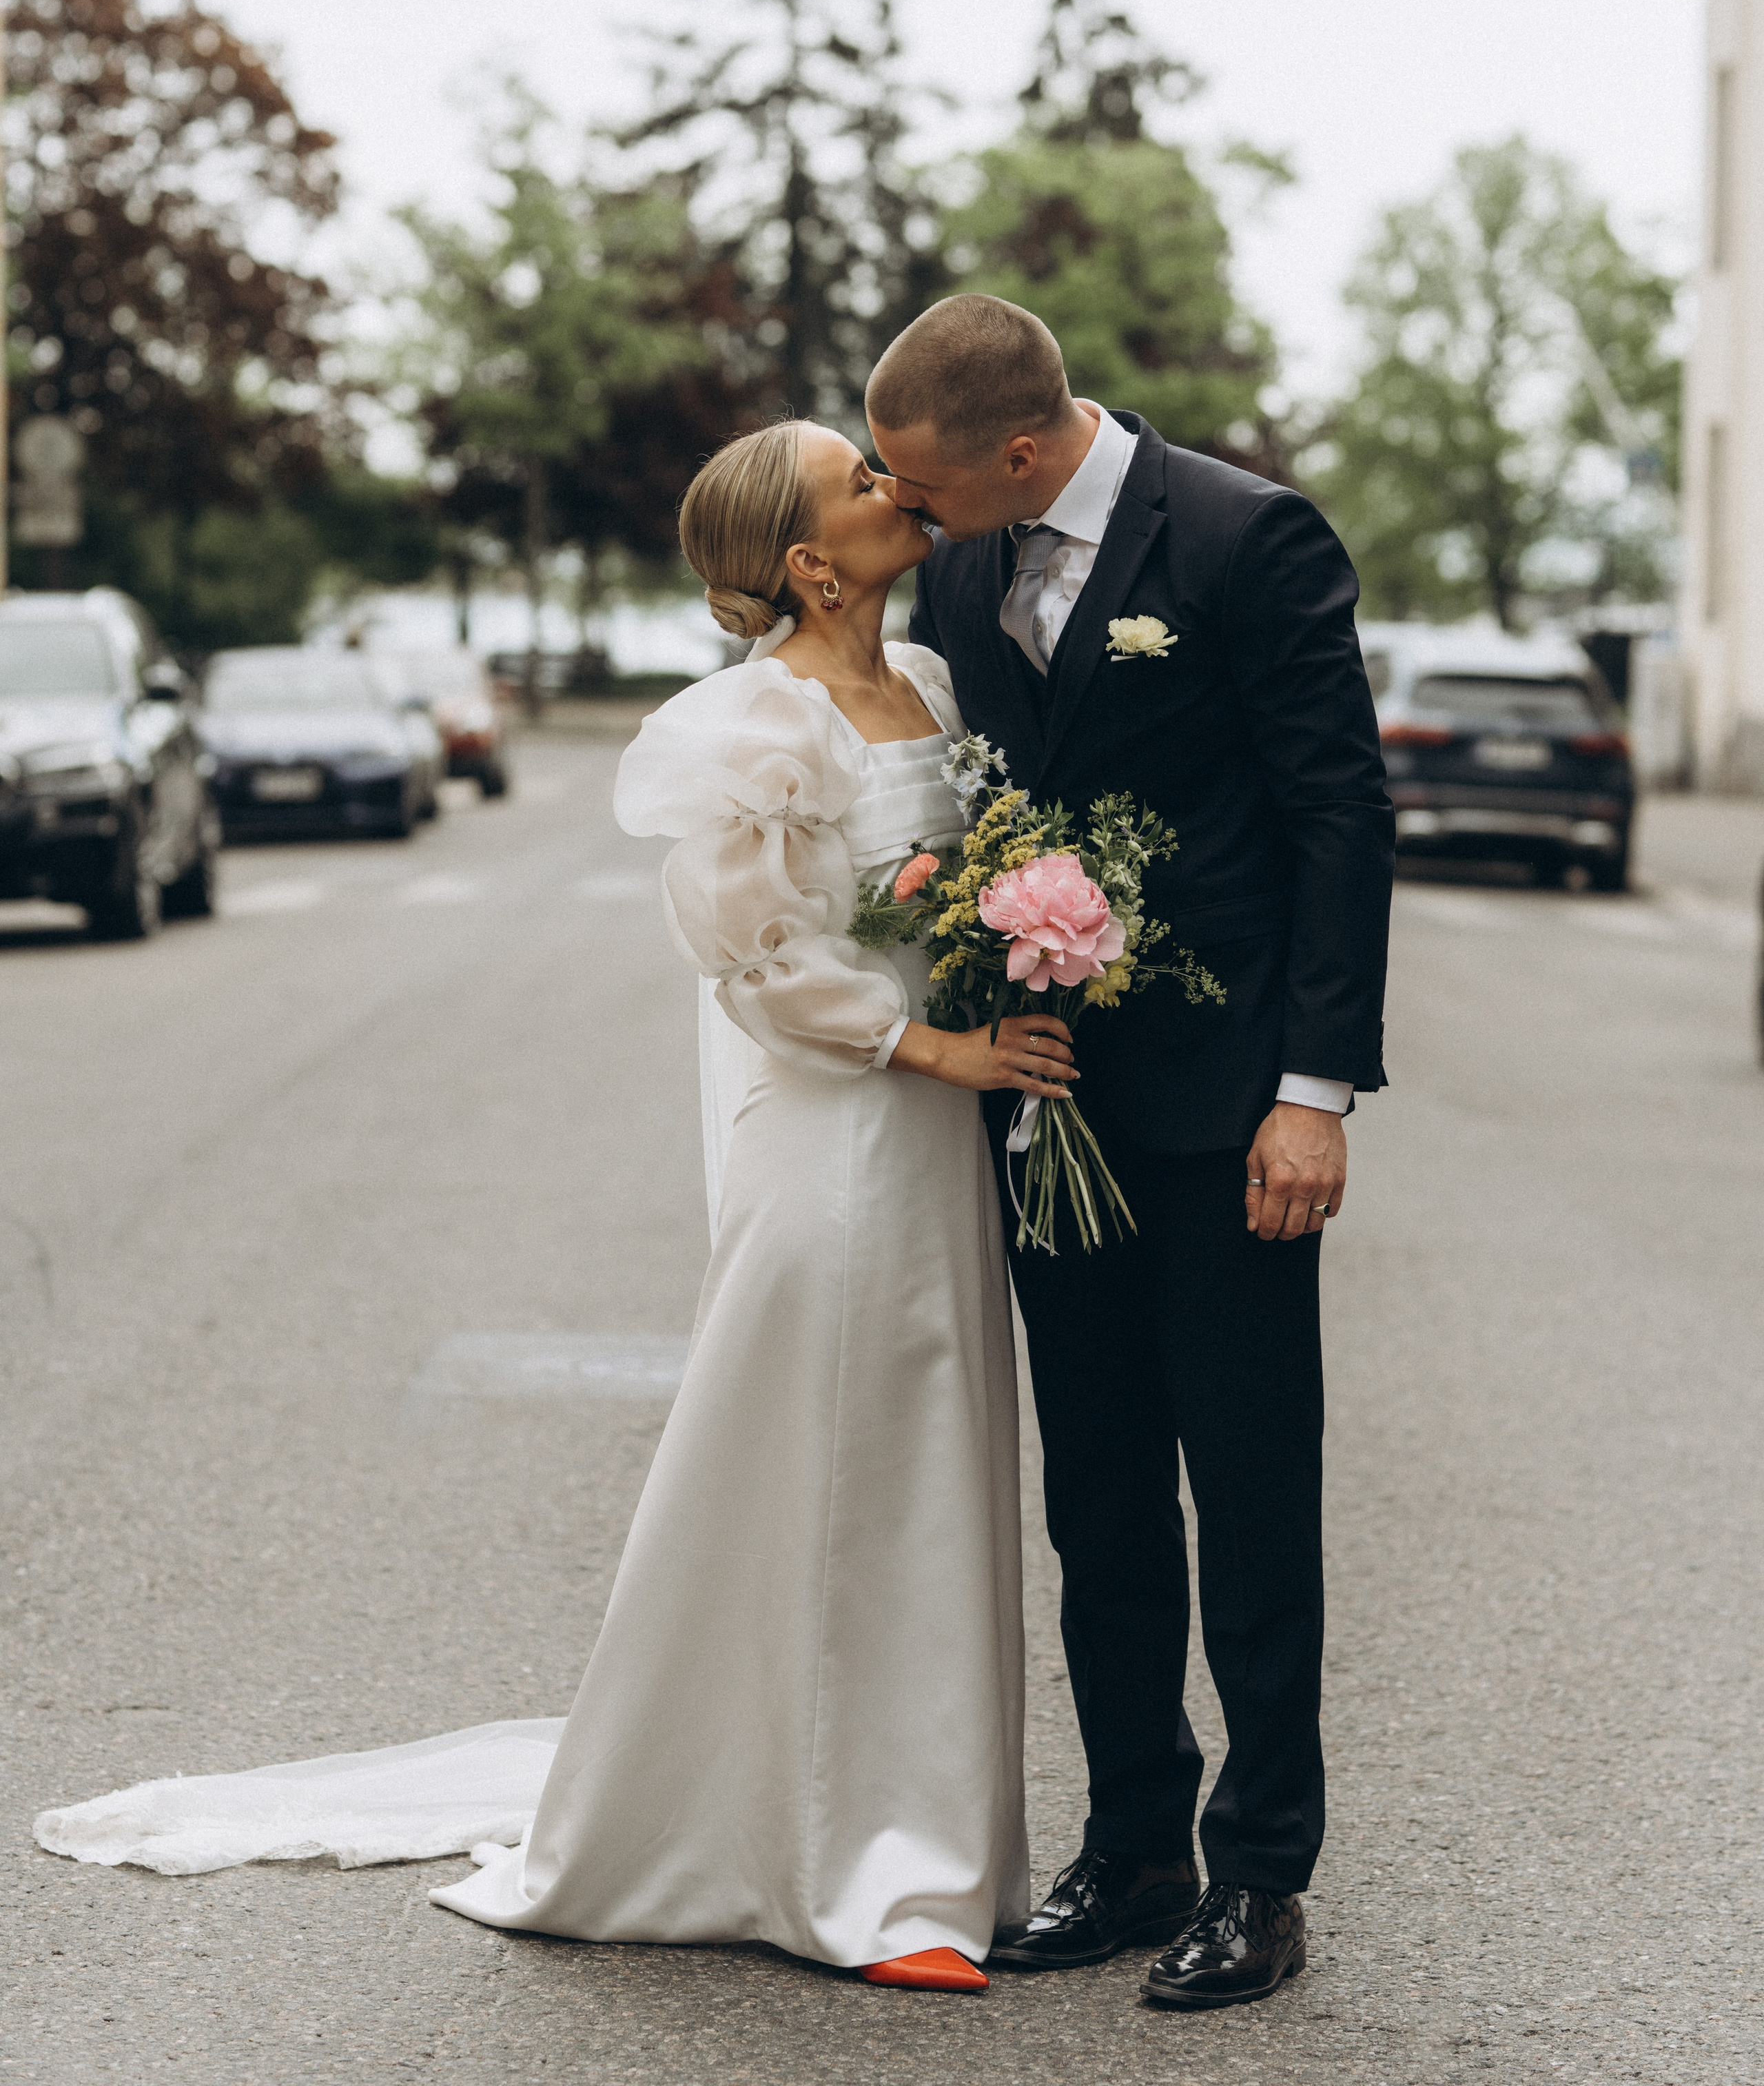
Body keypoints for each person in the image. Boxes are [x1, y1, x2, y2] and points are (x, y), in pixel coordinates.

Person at [37, 419, 1075, 1995]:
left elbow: (961, 872)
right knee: (841, 1453)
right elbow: (752, 957)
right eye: (855, 481)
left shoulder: (931, 687)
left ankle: (925, 1837)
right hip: (843, 1133)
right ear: (804, 563)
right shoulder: (752, 727)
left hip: (942, 1140)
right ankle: (853, 1871)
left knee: (926, 1457)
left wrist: (1029, 948)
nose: (890, 487)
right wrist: (944, 1045)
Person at [868, 294, 1393, 2012]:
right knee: (1096, 1499)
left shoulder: (1246, 541)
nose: (909, 517)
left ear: (1019, 452)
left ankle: (1260, 1874)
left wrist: (1312, 1087)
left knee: (1247, 1494)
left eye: (925, 488)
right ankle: (1133, 1843)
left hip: (1233, 1109)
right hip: (1047, 1105)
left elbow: (1334, 813)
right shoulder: (961, 568)